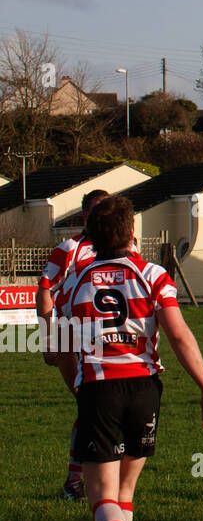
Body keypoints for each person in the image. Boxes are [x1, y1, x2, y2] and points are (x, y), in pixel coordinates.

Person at [54, 195, 203, 521]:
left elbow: (62, 349)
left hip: (100, 387)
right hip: (145, 387)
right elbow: (178, 336)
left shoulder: (74, 282)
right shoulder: (152, 275)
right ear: (131, 233)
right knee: (124, 492)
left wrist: (77, 389)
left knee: (101, 497)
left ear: (91, 237)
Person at [37, 188, 110, 501]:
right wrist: (47, 336)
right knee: (90, 404)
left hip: (108, 340)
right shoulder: (69, 248)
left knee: (102, 408)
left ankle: (85, 478)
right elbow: (44, 291)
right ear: (85, 216)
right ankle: (77, 481)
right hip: (71, 336)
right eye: (96, 210)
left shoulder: (122, 248)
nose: (102, 216)